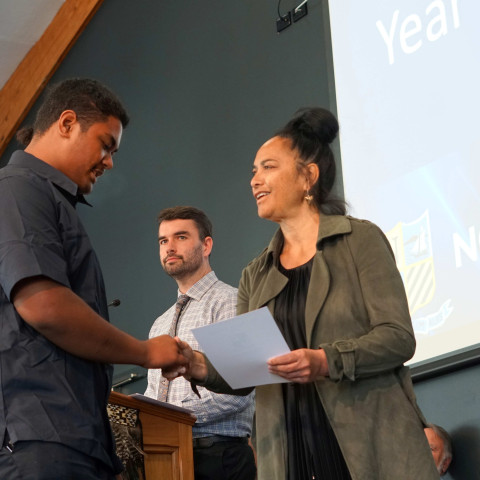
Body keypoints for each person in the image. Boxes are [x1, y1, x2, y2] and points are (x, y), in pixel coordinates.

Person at [165, 107, 440, 479]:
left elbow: (398, 338)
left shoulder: (360, 240)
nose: (255, 180)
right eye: (253, 171)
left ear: (308, 176)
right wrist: (197, 364)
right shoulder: (255, 274)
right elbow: (247, 371)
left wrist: (326, 360)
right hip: (291, 452)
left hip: (368, 444)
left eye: (268, 167)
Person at [0, 78, 187, 480]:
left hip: (71, 438)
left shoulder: (47, 201)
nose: (110, 161)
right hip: (40, 440)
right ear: (67, 123)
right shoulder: (18, 191)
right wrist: (145, 352)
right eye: (105, 144)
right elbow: (44, 306)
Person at [144, 206, 256, 480]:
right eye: (163, 240)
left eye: (181, 237)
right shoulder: (160, 322)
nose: (169, 247)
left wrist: (172, 419)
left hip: (219, 458)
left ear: (206, 245)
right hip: (167, 457)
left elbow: (237, 393)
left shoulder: (233, 302)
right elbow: (152, 391)